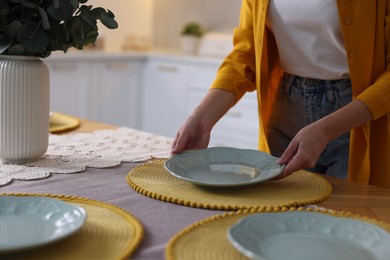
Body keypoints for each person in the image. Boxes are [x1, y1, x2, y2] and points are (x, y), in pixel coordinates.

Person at [171, 0, 390, 188]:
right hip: (286, 107)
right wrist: (201, 118)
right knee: (280, 215)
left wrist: (326, 129)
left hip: (356, 117)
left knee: (349, 223)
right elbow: (246, 53)